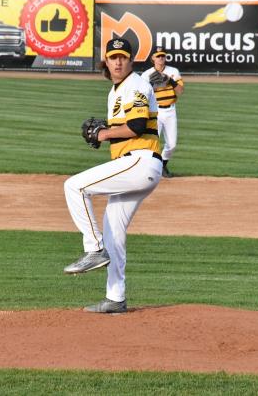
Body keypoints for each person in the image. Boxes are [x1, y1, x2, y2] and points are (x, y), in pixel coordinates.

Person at [62, 37, 163, 314]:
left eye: (123, 57)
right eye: (113, 57)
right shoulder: (115, 91)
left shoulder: (137, 84)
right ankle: (115, 297)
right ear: (105, 61)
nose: (118, 62)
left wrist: (103, 133)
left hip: (141, 162)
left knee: (74, 186)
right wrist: (106, 130)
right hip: (134, 167)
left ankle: (93, 249)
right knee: (113, 231)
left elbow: (138, 126)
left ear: (131, 61)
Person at [141, 47, 184, 178]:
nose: (161, 58)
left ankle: (163, 165)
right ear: (153, 58)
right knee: (152, 142)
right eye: (158, 56)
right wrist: (150, 84)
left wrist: (170, 81)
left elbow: (180, 91)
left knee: (172, 144)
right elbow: (142, 96)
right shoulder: (146, 75)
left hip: (171, 111)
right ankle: (149, 169)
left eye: (163, 56)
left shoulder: (173, 71)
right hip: (155, 111)